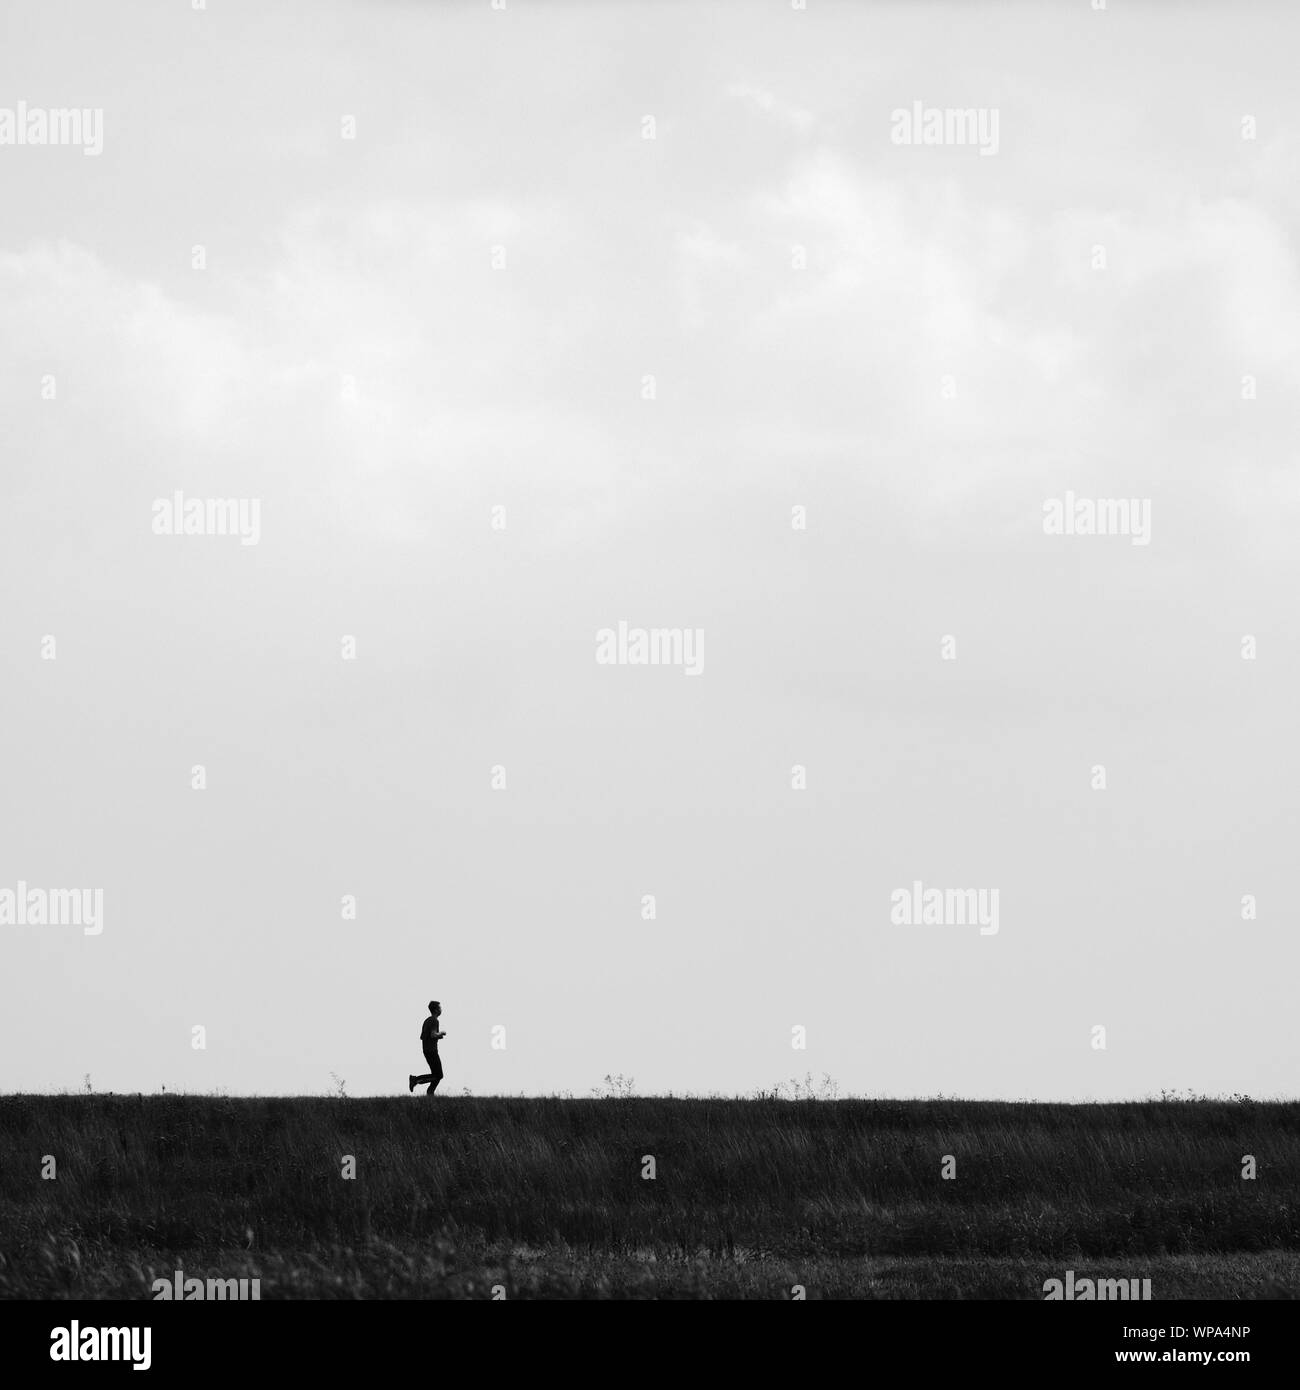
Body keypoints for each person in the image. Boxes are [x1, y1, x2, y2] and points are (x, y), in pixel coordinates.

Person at [409, 1001, 446, 1095]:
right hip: (431, 1051)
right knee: (439, 1075)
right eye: (439, 1008)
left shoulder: (427, 1020)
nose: (441, 1009)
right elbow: (433, 1035)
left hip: (427, 1050)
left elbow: (427, 1036)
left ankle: (430, 1092)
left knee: (436, 1075)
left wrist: (438, 1036)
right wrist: (440, 1034)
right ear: (436, 1010)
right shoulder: (434, 1020)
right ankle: (416, 1080)